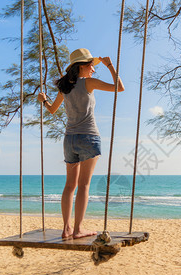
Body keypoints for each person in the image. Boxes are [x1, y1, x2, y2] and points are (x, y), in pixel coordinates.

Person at [38, 48, 124, 239]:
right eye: (92, 66)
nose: (93, 69)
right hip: (88, 137)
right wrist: (110, 65)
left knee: (70, 185)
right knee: (84, 185)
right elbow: (119, 87)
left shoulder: (64, 87)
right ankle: (77, 230)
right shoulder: (88, 83)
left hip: (69, 139)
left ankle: (66, 228)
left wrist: (44, 101)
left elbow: (52, 110)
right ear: (82, 67)